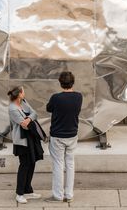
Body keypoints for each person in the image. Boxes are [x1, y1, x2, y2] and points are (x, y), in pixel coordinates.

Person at [45, 71, 82, 203]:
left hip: (57, 136)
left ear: (60, 83)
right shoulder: (79, 97)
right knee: (70, 164)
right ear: (73, 82)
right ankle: (69, 195)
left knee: (58, 165)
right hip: (72, 135)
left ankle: (58, 195)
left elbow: (48, 109)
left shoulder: (56, 98)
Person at [8, 86, 43, 204]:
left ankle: (28, 190)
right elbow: (24, 125)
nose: (25, 93)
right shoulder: (13, 109)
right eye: (23, 91)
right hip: (22, 141)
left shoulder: (24, 103)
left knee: (32, 163)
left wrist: (28, 118)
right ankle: (19, 193)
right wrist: (29, 119)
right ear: (19, 94)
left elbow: (35, 113)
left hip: (31, 139)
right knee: (24, 165)